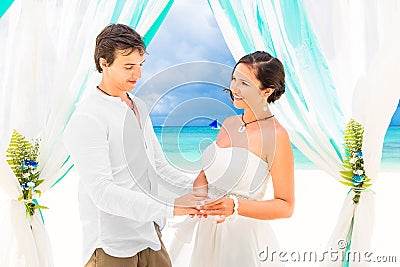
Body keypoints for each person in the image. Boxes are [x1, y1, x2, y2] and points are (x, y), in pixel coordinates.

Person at [63, 23, 207, 267]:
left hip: (150, 236)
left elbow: (158, 167)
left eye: (140, 66)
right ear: (103, 63)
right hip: (111, 247)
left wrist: (196, 187)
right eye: (128, 66)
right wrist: (172, 207)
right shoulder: (87, 118)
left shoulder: (138, 105)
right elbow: (102, 193)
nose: (138, 75)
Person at [171, 51, 294, 266]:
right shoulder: (229, 123)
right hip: (207, 230)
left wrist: (234, 206)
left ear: (267, 91)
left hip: (241, 237)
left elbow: (285, 206)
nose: (234, 89)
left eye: (244, 83)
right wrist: (198, 198)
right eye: (234, 79)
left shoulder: (276, 136)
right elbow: (206, 175)